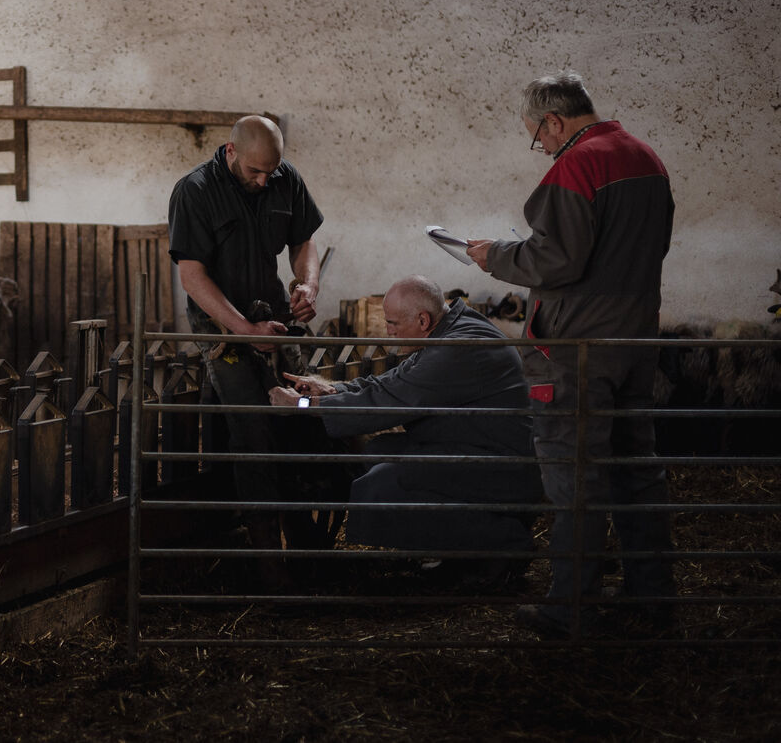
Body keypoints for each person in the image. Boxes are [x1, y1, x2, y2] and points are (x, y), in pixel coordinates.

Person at [465, 70, 675, 636]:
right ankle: (653, 598)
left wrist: (495, 256)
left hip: (577, 348)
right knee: (636, 469)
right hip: (636, 337)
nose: (542, 146)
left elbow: (555, 260)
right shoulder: (647, 159)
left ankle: (572, 606)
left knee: (574, 477)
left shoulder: (578, 164)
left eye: (538, 136)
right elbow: (654, 246)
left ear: (554, 121)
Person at [270, 276, 542, 591]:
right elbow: (390, 383)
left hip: (502, 470)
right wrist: (331, 390)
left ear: (422, 320)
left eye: (392, 323)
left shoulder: (456, 349)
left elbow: (386, 401)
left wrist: (303, 404)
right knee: (375, 454)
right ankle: (456, 550)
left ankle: (504, 544)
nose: (388, 331)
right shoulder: (450, 329)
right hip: (476, 450)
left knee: (384, 484)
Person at [167, 115, 324, 590]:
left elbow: (303, 241)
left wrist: (308, 284)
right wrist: (243, 330)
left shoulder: (283, 177)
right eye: (255, 171)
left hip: (272, 317)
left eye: (270, 172)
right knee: (253, 429)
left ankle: (307, 543)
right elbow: (192, 277)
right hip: (224, 329)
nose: (263, 181)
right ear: (230, 151)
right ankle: (269, 564)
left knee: (302, 408)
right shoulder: (194, 191)